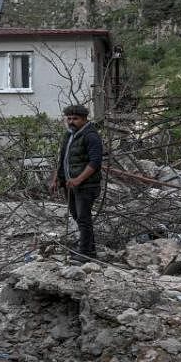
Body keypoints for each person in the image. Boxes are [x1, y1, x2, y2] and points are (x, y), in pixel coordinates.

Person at [48, 104, 102, 261]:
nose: (71, 121)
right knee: (78, 217)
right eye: (69, 118)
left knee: (84, 218)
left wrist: (79, 179)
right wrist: (57, 178)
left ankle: (86, 253)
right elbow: (63, 159)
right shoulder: (70, 134)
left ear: (85, 119)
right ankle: (88, 249)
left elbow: (95, 162)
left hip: (86, 186)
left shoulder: (91, 136)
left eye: (75, 119)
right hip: (70, 185)